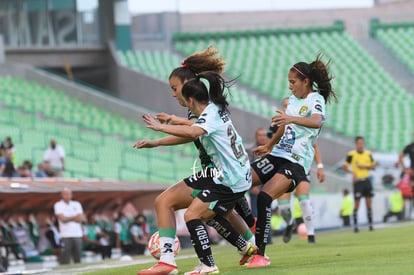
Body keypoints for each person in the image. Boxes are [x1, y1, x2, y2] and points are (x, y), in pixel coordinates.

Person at [134, 48, 256, 275]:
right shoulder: (211, 106)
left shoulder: (204, 110)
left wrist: (161, 129)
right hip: (229, 172)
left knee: (188, 210)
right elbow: (193, 128)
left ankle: (180, 262)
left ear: (189, 86)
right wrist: (163, 134)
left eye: (174, 88)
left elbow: (193, 132)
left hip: (223, 174)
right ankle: (247, 247)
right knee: (207, 211)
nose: (172, 94)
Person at [247, 54, 337, 267]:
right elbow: (284, 126)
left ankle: (260, 254)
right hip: (278, 155)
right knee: (239, 182)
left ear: (305, 81)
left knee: (264, 197)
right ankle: (249, 226)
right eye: (289, 82)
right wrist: (269, 146)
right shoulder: (294, 101)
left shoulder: (316, 99)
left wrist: (290, 118)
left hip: (296, 163)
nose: (290, 87)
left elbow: (315, 123)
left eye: (293, 82)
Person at [269, 97, 325, 244]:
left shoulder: (303, 122)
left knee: (304, 200)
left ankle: (311, 235)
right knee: (284, 208)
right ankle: (289, 224)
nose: (289, 107)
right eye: (286, 105)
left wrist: (319, 166)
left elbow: (314, 145)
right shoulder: (276, 123)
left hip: (301, 166)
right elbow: (272, 142)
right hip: (284, 166)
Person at [342, 136, 376, 233]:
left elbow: (374, 166)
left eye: (362, 143)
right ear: (356, 144)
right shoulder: (351, 154)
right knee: (357, 204)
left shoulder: (368, 154)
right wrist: (353, 173)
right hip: (357, 182)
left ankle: (370, 225)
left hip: (367, 181)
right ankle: (356, 226)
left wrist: (364, 166)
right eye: (359, 143)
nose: (360, 145)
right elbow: (344, 167)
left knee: (369, 203)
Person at [54, 187, 84, 264]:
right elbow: (63, 219)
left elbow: (81, 218)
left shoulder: (76, 204)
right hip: (65, 235)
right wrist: (74, 217)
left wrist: (68, 218)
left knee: (78, 257)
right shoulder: (58, 205)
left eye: (69, 194)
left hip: (77, 234)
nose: (67, 196)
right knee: (65, 257)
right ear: (62, 195)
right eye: (65, 194)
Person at [246, 128, 268, 218]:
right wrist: (253, 186)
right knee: (256, 214)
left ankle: (268, 232)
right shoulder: (250, 150)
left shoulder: (271, 151)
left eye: (264, 135)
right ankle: (256, 231)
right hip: (256, 187)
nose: (262, 137)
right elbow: (247, 168)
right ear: (256, 137)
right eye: (260, 135)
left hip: (267, 187)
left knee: (267, 212)